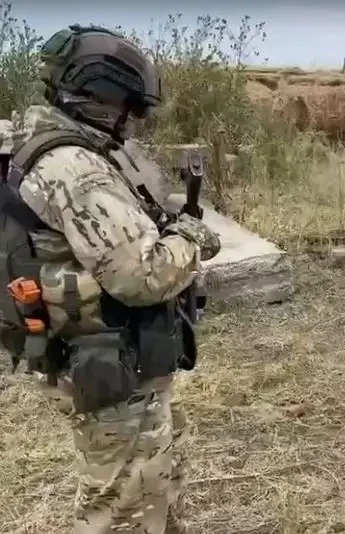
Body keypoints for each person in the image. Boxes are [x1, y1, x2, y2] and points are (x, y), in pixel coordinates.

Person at [0, 25, 221, 533]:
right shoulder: (75, 168)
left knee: (154, 480)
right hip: (111, 365)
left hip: (115, 360)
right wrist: (193, 235)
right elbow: (142, 276)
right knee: (123, 507)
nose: (133, 121)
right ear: (104, 97)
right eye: (130, 109)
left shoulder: (49, 142)